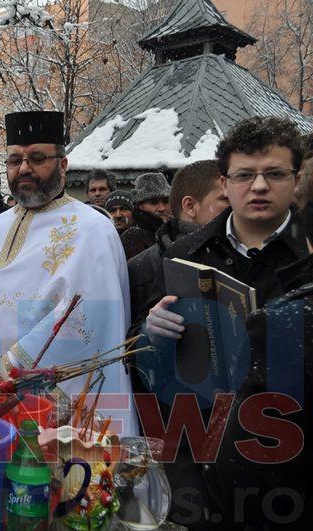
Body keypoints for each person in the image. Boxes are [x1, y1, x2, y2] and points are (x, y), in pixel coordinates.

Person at [139, 116, 310, 528]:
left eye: (274, 174)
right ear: (225, 181)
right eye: (244, 175)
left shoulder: (307, 256)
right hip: (196, 462)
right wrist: (150, 333)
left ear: (295, 179)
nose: (259, 186)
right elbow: (147, 366)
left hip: (289, 466)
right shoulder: (184, 254)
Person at [0, 111, 136, 435]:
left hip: (42, 402)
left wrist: (7, 368)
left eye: (37, 158)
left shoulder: (92, 229)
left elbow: (86, 320)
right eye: (14, 160)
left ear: (62, 165)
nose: (23, 168)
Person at [128, 160, 229, 332]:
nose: (236, 205)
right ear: (190, 206)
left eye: (165, 201)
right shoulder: (140, 269)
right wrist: (150, 333)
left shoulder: (241, 252)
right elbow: (129, 340)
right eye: (225, 199)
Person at [120, 172, 172, 259]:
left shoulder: (174, 229)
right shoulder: (133, 236)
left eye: (166, 201)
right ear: (140, 206)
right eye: (153, 202)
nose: (162, 208)